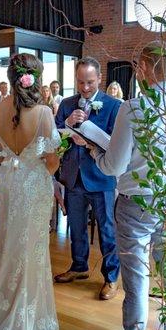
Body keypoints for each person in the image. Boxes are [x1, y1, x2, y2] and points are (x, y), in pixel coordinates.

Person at [87, 42, 166, 330]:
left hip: (136, 205)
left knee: (137, 282)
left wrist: (96, 155)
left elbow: (115, 165)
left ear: (144, 69)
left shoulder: (135, 107)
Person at [0, 53, 60, 330]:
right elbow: (51, 162)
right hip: (34, 184)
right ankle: (21, 320)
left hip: (8, 181)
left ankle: (0, 307)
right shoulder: (44, 113)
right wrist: (39, 164)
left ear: (12, 79)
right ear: (34, 79)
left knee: (9, 244)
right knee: (32, 249)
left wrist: (16, 160)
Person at [54, 56, 121, 301]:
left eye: (90, 82)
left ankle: (111, 276)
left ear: (100, 79)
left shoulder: (114, 106)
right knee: (77, 227)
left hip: (101, 176)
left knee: (106, 229)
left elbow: (117, 143)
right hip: (73, 176)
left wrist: (91, 142)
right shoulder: (66, 104)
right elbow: (53, 138)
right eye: (81, 82)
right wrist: (66, 125)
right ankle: (79, 266)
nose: (85, 87)